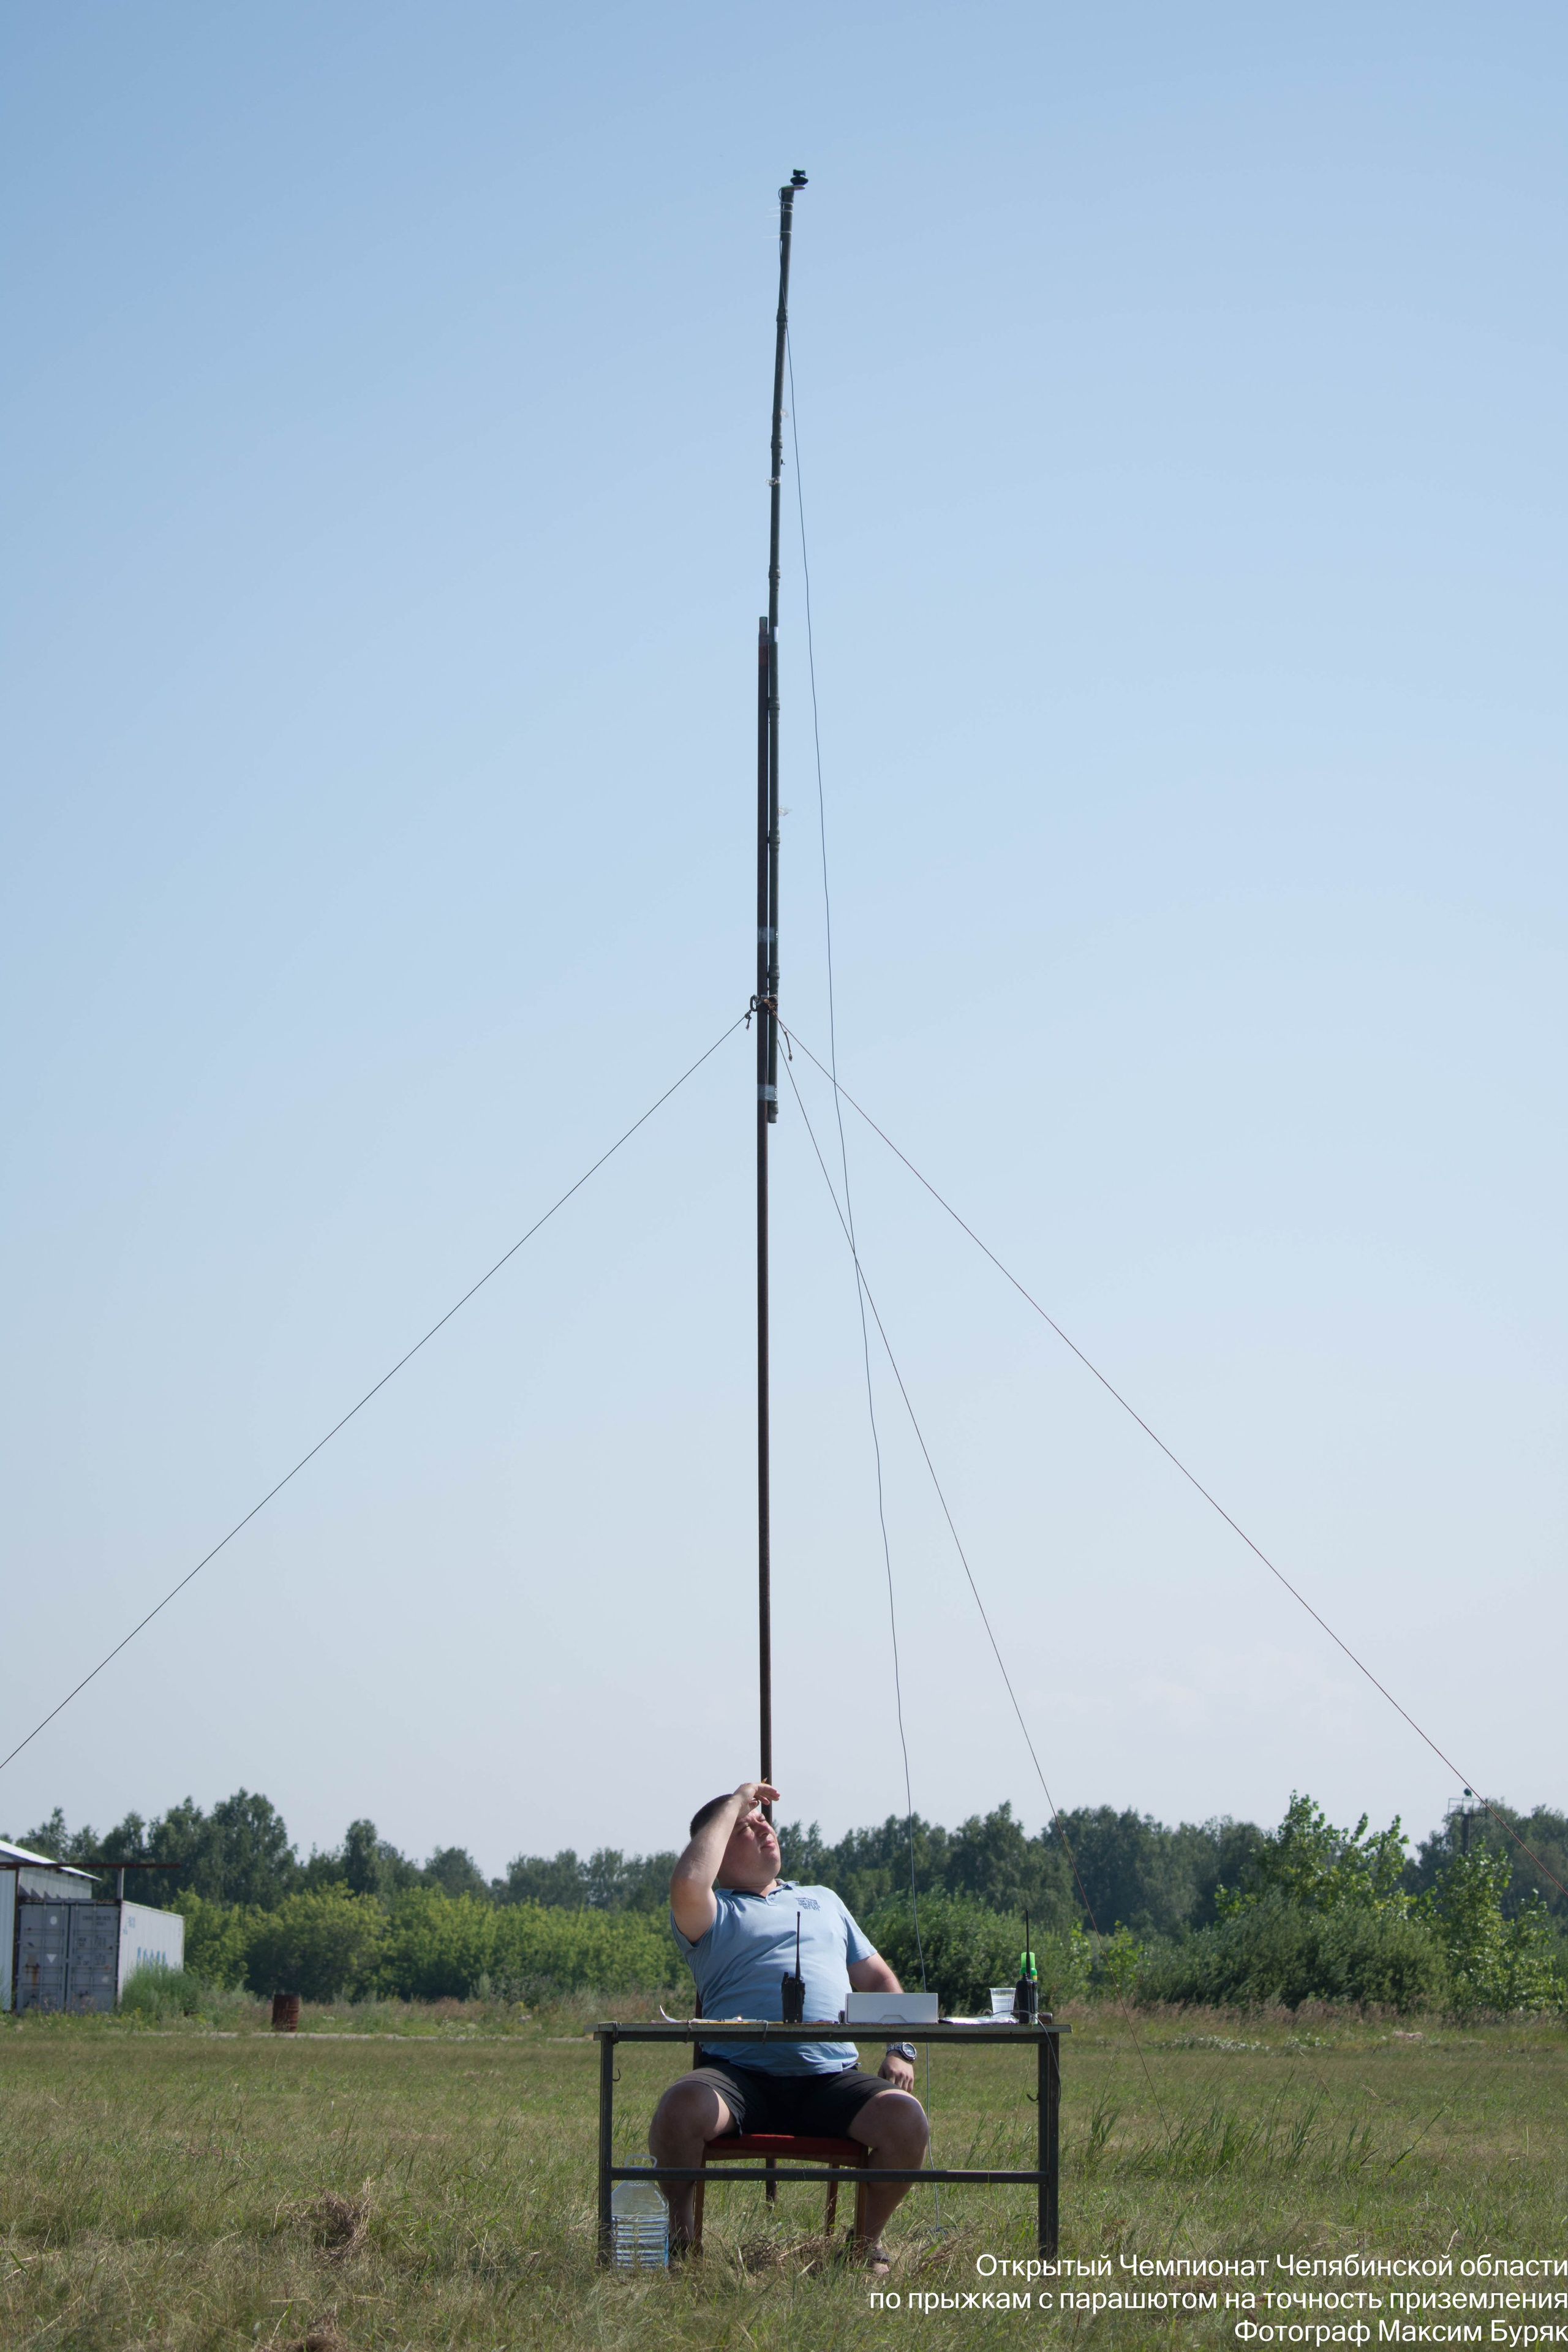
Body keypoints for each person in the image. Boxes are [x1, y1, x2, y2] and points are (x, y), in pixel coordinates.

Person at [649, 1779, 929, 2274]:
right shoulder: (712, 1913)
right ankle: (683, 2244)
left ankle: (863, 2247)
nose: (764, 1828)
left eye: (764, 1820)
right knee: (679, 2107)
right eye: (746, 1826)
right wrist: (737, 1799)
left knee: (906, 2119)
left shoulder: (825, 1900)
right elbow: (689, 1883)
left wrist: (900, 2047)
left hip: (830, 2076)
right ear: (715, 1848)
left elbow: (879, 1979)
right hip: (738, 2077)